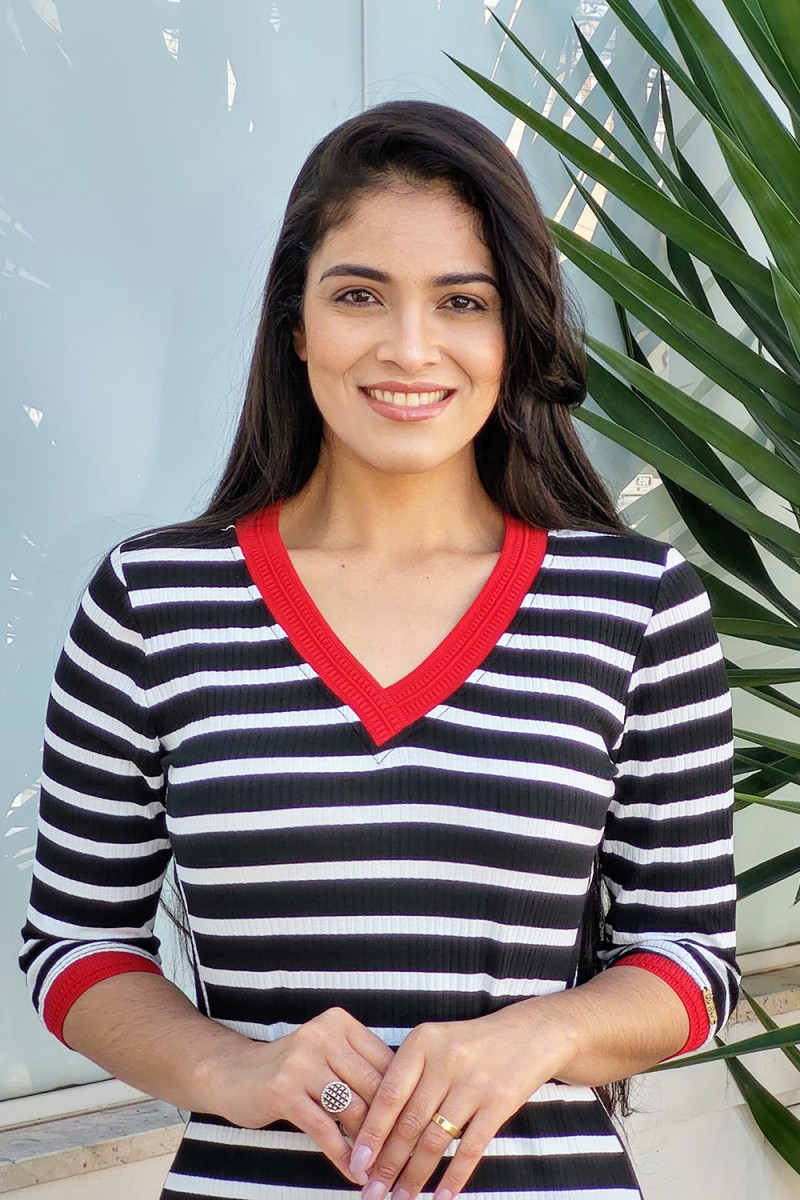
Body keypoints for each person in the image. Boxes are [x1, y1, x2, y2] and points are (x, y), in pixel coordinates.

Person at [20, 99, 740, 1200]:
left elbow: (689, 962)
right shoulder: (152, 601)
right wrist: (230, 1067)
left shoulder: (635, 604)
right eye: (359, 295)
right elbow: (73, 947)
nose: (409, 348)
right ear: (295, 324)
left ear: (514, 331)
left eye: (463, 302)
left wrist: (537, 1033)